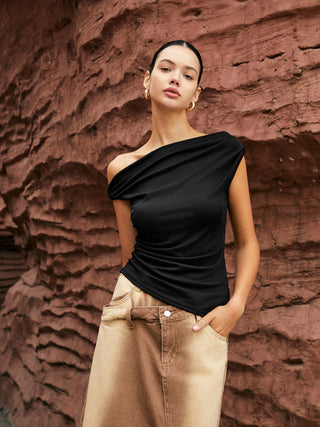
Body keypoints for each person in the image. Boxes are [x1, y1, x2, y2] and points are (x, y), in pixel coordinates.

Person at [79, 40, 260, 427]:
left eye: (188, 74)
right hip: (133, 316)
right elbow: (129, 256)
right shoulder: (121, 168)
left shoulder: (224, 152)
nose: (176, 78)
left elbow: (247, 243)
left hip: (198, 323)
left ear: (197, 93)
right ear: (147, 80)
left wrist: (236, 306)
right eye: (166, 68)